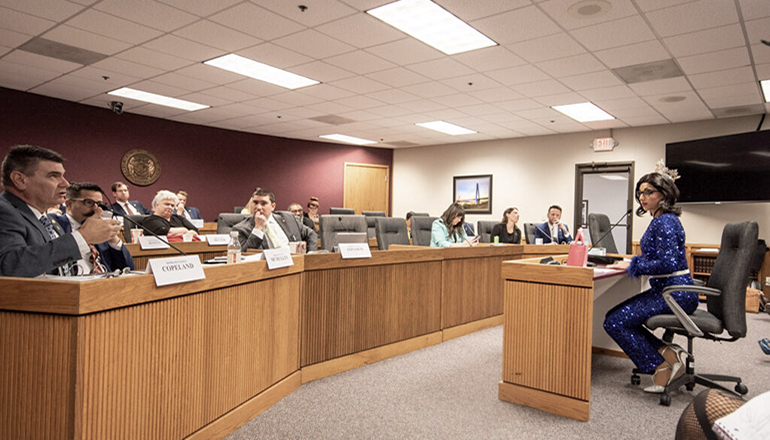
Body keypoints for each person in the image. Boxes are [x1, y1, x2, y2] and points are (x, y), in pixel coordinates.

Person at [603, 171, 698, 393]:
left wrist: (633, 265)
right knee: (616, 319)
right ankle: (668, 354)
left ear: (664, 194)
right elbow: (660, 259)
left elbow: (667, 264)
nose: (642, 197)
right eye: (640, 193)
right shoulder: (662, 219)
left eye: (649, 192)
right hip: (669, 291)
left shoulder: (664, 221)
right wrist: (632, 262)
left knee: (615, 322)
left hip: (674, 294)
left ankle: (660, 367)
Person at [0, 145, 122, 277]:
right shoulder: (4, 210)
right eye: (53, 176)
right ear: (20, 180)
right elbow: (10, 265)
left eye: (63, 176)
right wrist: (83, 237)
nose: (66, 184)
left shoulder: (47, 220)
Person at [49, 182, 134, 273]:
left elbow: (127, 268)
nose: (97, 209)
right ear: (69, 204)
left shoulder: (100, 229)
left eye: (99, 204)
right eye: (89, 202)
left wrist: (113, 240)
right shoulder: (53, 225)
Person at [232, 188, 318, 252]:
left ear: (273, 206)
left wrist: (310, 254)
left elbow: (311, 234)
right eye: (255, 203)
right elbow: (244, 254)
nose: (258, 207)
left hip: (295, 264)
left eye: (264, 203)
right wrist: (257, 229)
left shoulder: (288, 218)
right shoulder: (241, 229)